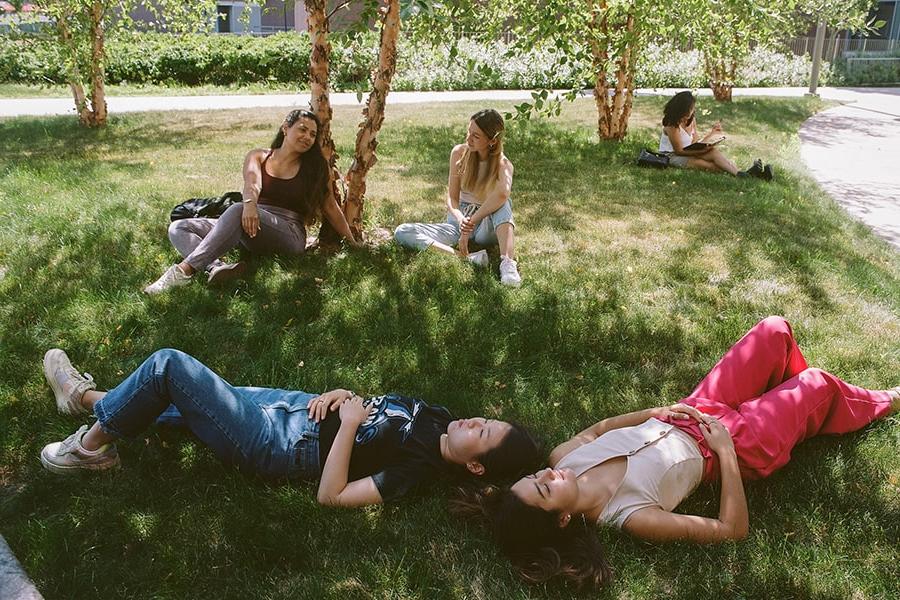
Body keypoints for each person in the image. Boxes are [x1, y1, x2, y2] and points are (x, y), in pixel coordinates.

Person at [456, 316, 899, 589]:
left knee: (775, 330)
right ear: (563, 519)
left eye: (537, 477)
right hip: (739, 446)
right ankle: (879, 401)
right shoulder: (629, 515)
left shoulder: (562, 459)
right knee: (816, 383)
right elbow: (731, 529)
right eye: (546, 491)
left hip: (693, 409)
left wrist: (656, 410)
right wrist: (725, 451)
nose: (548, 477)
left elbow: (598, 429)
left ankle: (802, 410)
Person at [39, 348, 540, 507]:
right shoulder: (439, 416)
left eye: (483, 433)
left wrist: (346, 427)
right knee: (176, 401)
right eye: (487, 419)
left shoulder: (416, 473)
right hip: (291, 405)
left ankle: (91, 446)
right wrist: (344, 395)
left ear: (475, 465)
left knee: (171, 368)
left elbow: (332, 496)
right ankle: (83, 398)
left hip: (278, 443)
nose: (475, 420)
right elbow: (368, 406)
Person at [145, 109, 361, 295]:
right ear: (285, 128)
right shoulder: (259, 156)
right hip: (251, 221)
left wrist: (352, 242)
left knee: (238, 209)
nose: (307, 137)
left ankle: (183, 271)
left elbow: (330, 206)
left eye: (313, 134)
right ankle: (217, 269)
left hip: (288, 233)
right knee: (179, 227)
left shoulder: (315, 167)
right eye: (302, 129)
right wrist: (250, 206)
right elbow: (252, 184)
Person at [393, 109, 522, 287]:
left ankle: (508, 263)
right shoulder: (458, 153)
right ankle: (467, 259)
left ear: (492, 141)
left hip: (486, 224)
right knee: (402, 231)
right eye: (469, 131)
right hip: (458, 223)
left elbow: (502, 194)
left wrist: (472, 222)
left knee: (503, 203)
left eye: (476, 136)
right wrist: (461, 219)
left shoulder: (503, 164)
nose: (469, 139)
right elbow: (452, 198)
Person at [660, 91, 773, 181]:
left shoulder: (691, 120)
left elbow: (695, 144)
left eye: (692, 109)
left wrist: (712, 134)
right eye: (688, 110)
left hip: (688, 153)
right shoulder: (672, 124)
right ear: (680, 110)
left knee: (713, 152)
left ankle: (745, 175)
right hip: (672, 156)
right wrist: (700, 153)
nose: (691, 112)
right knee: (710, 166)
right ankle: (750, 175)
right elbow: (679, 151)